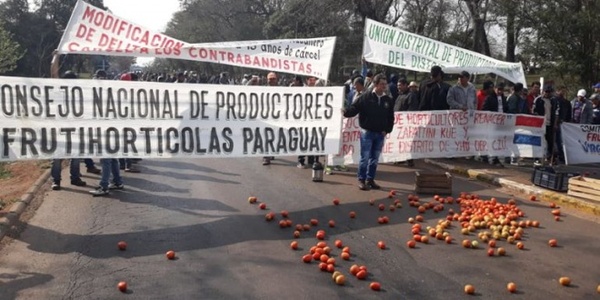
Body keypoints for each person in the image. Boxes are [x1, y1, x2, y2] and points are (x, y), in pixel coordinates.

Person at [342, 74, 395, 190]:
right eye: (381, 84)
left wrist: (387, 130)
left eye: (385, 84)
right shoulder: (366, 97)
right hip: (367, 132)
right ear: (375, 84)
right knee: (365, 157)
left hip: (380, 133)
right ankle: (361, 179)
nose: (384, 86)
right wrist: (345, 112)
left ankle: (370, 179)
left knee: (374, 158)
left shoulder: (388, 100)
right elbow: (354, 108)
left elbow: (391, 116)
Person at [49, 50, 87, 190]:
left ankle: (67, 179)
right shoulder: (59, 91)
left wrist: (56, 57)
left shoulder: (79, 94)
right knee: (60, 157)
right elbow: (54, 74)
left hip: (73, 129)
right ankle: (61, 180)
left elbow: (53, 74)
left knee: (73, 156)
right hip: (60, 129)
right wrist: (56, 57)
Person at [532, 85, 558, 165]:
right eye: (546, 92)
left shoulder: (553, 100)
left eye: (549, 92)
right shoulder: (538, 100)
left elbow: (556, 112)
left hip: (550, 123)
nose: (547, 93)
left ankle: (550, 158)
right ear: (543, 91)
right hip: (541, 124)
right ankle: (537, 158)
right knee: (539, 141)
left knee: (550, 141)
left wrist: (555, 123)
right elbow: (533, 111)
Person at [262, 72, 279, 166]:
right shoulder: (263, 89)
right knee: (266, 136)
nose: (272, 80)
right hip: (266, 117)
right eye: (270, 79)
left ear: (276, 79)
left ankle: (271, 152)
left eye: (273, 79)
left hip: (277, 117)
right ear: (267, 79)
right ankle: (266, 157)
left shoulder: (281, 90)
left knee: (274, 136)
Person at [554, 86, 572, 164]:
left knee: (560, 141)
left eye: (563, 91)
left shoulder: (567, 102)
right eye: (560, 90)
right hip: (554, 123)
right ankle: (553, 156)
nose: (561, 92)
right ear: (557, 91)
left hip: (562, 124)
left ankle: (561, 156)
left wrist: (566, 122)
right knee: (553, 140)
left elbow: (569, 114)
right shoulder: (553, 100)